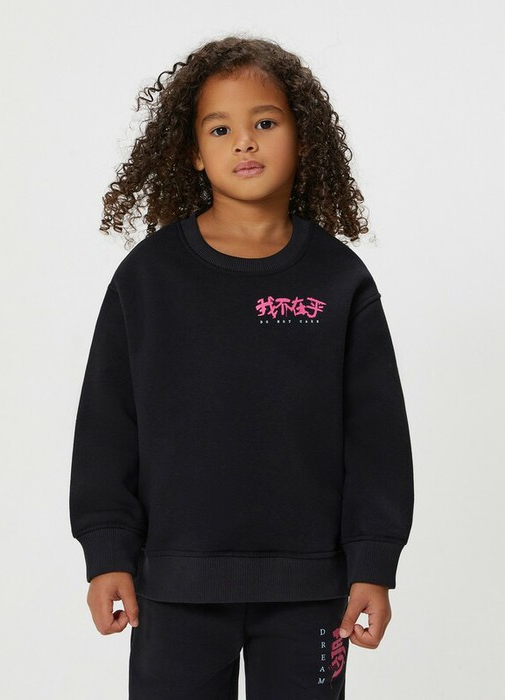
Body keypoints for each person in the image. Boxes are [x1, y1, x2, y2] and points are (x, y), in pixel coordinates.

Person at [69, 34, 414, 699]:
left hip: (312, 587)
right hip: (173, 585)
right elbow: (107, 425)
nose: (245, 142)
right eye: (220, 128)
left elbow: (376, 437)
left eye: (265, 123)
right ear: (194, 152)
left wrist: (373, 562)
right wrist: (107, 551)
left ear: (303, 139)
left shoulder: (339, 280)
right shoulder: (149, 278)